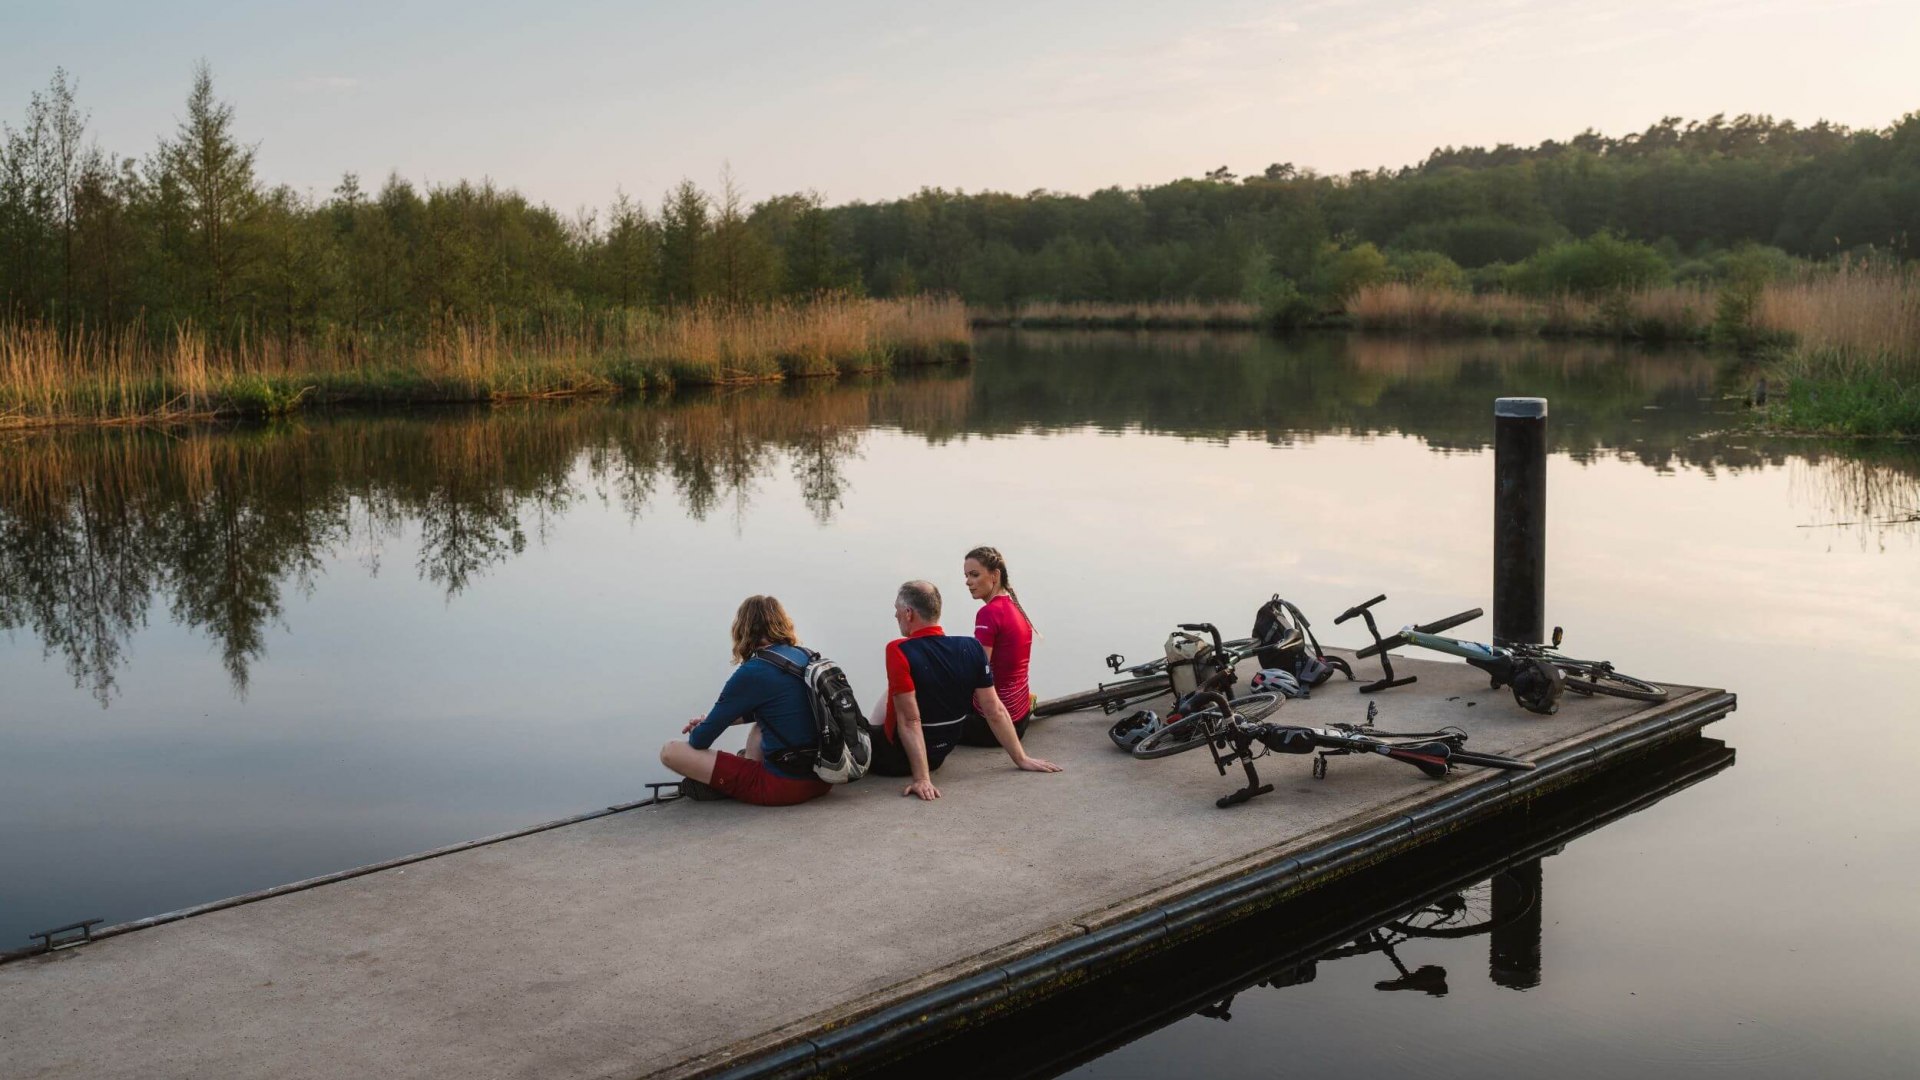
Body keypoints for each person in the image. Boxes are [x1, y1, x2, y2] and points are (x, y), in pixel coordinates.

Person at [868, 579, 1061, 801]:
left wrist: (922, 779)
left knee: (851, 717)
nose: (896, 616)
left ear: (909, 613)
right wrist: (1021, 758)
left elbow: (910, 721)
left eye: (897, 611)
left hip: (895, 759)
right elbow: (994, 710)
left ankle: (873, 728)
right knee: (906, 684)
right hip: (938, 756)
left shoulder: (898, 650)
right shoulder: (971, 648)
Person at [658, 595, 832, 806]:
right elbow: (782, 707)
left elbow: (700, 741)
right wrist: (719, 720)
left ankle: (733, 781)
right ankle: (746, 766)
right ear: (783, 622)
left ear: (742, 629)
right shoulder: (806, 656)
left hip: (784, 787)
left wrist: (701, 728)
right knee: (761, 723)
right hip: (823, 779)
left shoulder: (752, 671)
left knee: (671, 751)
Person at [959, 545, 1036, 747]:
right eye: (966, 576)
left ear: (995, 575)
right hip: (1020, 717)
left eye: (974, 575)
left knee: (928, 718)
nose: (968, 582)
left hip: (994, 727)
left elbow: (978, 672)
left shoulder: (989, 613)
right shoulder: (1015, 607)